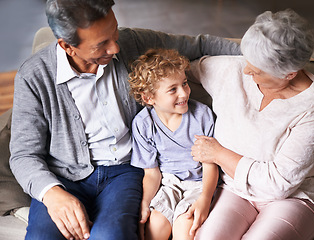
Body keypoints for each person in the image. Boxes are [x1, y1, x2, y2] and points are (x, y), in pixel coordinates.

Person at [9, 0, 241, 239]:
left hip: (123, 172)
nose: (115, 48)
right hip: (63, 177)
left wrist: (262, 60)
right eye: (102, 44)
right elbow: (23, 154)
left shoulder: (132, 43)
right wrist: (52, 193)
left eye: (114, 32)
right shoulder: (33, 76)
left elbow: (200, 44)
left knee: (112, 236)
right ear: (68, 47)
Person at [190, 9, 314, 240]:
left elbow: (278, 185)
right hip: (234, 190)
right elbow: (175, 67)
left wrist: (218, 153)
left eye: (256, 71)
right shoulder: (232, 69)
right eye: (248, 62)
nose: (246, 70)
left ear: (289, 74)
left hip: (292, 198)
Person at [128, 48, 218, 240]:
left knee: (184, 228)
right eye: (173, 89)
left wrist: (205, 198)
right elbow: (151, 173)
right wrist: (145, 204)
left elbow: (210, 165)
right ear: (148, 98)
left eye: (184, 84)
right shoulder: (143, 124)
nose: (184, 93)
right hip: (169, 185)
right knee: (156, 226)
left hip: (198, 185)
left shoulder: (202, 115)